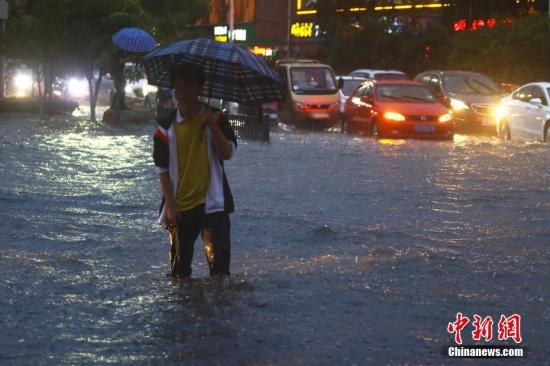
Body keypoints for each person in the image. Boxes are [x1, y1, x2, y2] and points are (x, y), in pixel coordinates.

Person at [152, 63, 237, 278]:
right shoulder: (165, 127)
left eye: (188, 86)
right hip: (180, 206)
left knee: (220, 273)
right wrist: (170, 207)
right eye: (178, 86)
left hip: (213, 204)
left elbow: (227, 153)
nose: (182, 92)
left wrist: (211, 125)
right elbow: (162, 170)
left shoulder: (217, 118)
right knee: (179, 274)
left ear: (200, 88)